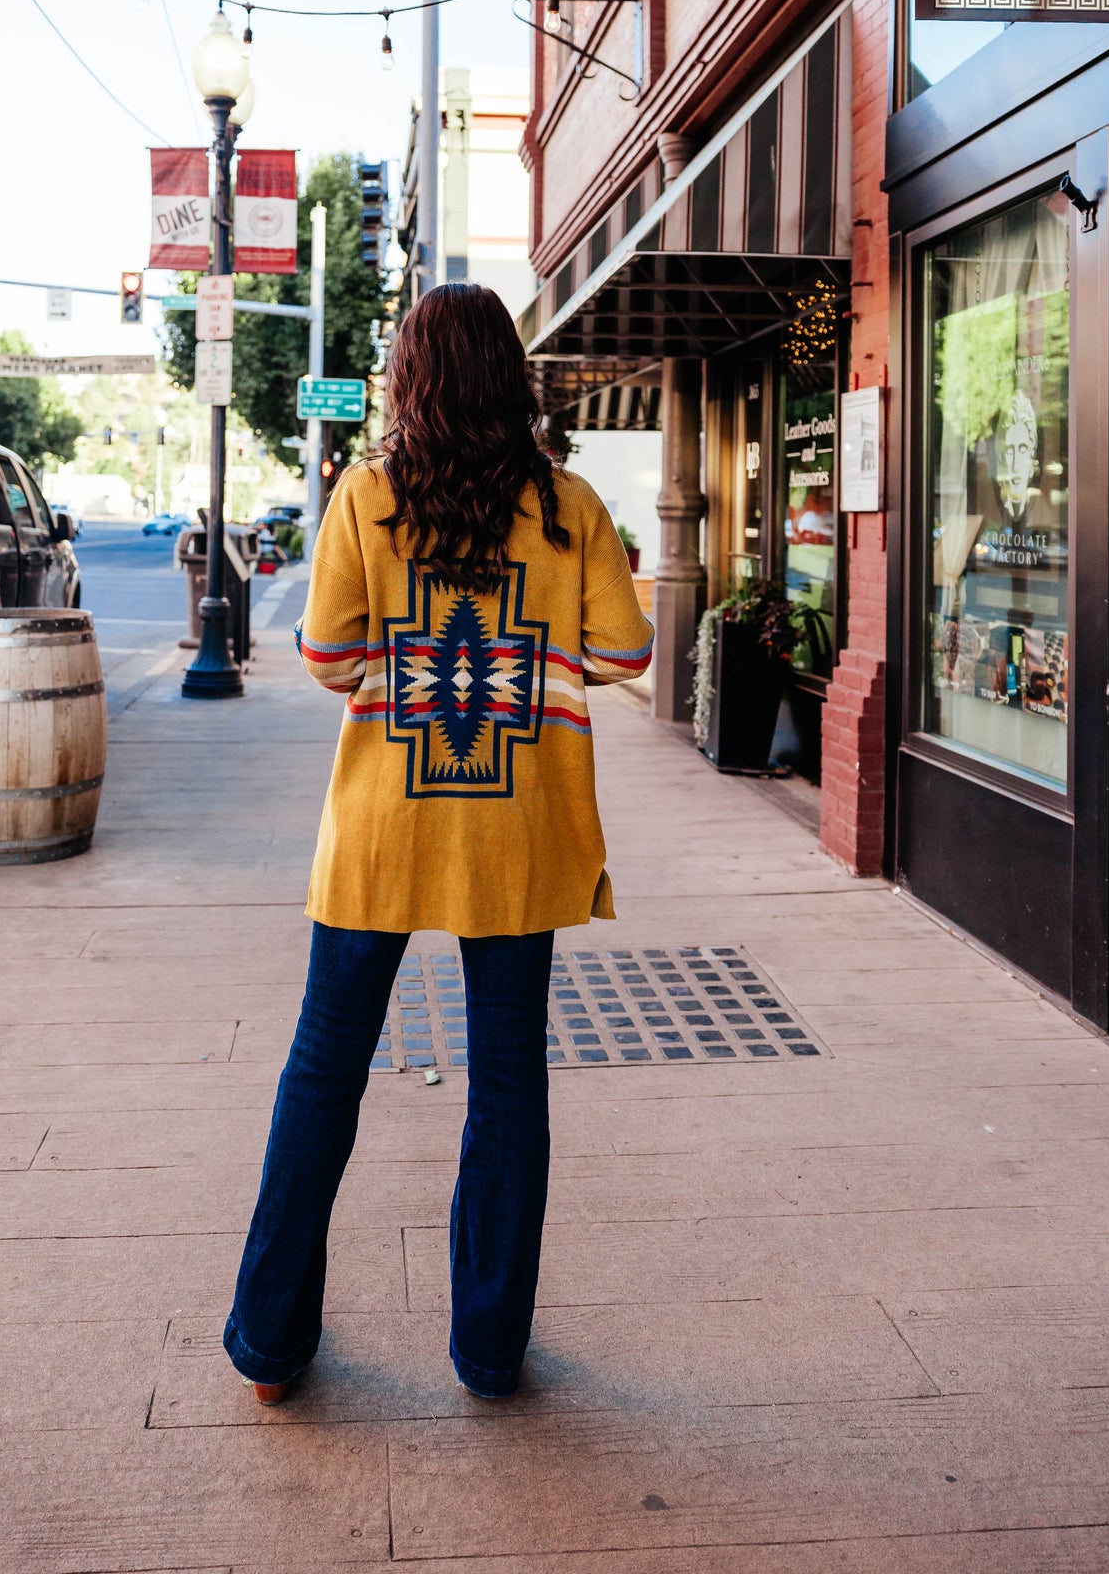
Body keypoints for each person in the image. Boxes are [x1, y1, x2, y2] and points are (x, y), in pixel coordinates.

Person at [223, 282, 653, 1403]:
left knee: (321, 1074)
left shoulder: (364, 496)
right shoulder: (568, 507)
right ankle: (488, 1350)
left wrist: (397, 666)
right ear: (508, 379)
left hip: (379, 828)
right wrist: (541, 656)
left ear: (409, 380)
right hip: (517, 831)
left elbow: (322, 656)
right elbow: (627, 649)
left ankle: (270, 1348)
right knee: (506, 1083)